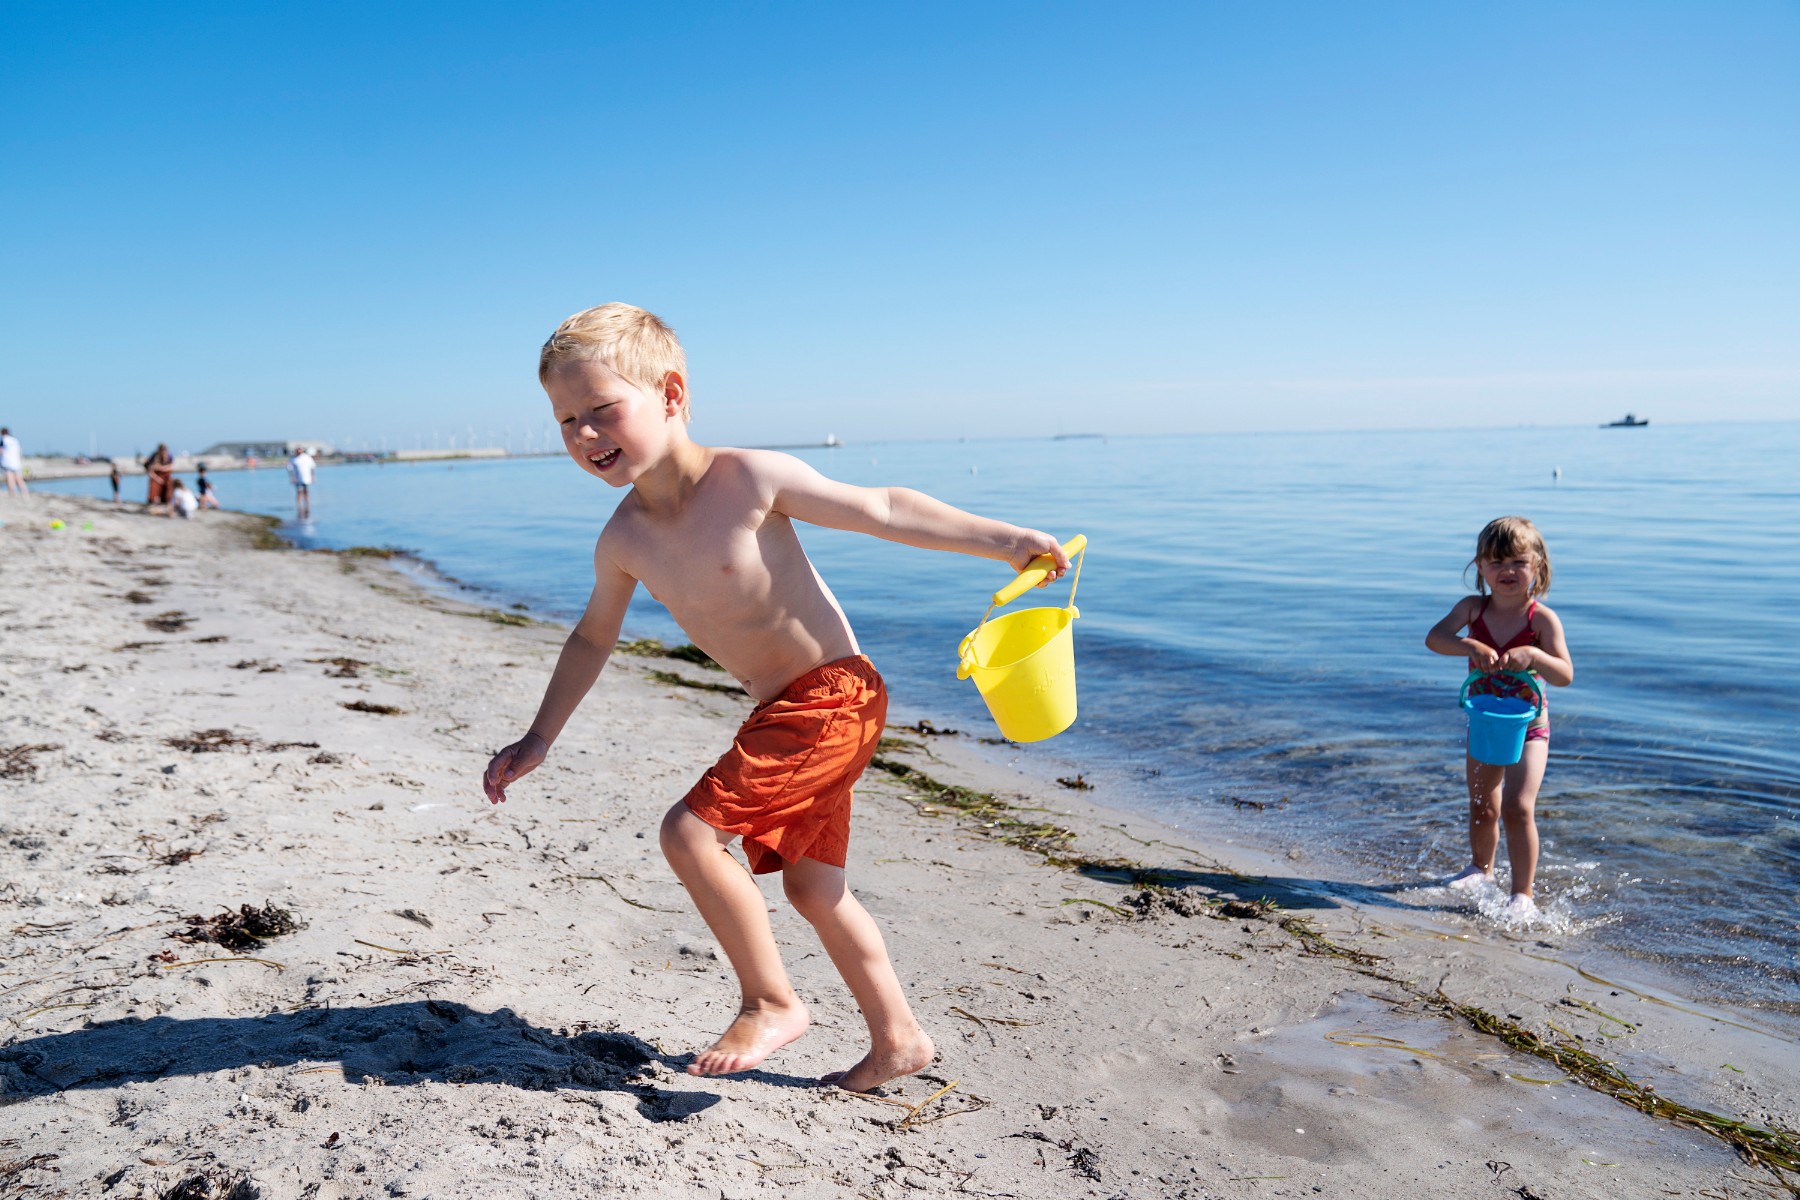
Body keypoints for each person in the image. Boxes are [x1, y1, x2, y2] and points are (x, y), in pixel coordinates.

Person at [482, 303, 1069, 1093]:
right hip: (784, 710)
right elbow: (592, 638)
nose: (586, 434)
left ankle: (771, 1001)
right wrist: (539, 737)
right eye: (567, 421)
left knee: (690, 837)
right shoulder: (624, 539)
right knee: (813, 887)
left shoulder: (749, 478)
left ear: (671, 393)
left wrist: (999, 540)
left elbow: (884, 508)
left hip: (833, 695)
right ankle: (899, 1040)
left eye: (602, 410)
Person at [1425, 516, 1574, 918]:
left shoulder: (1540, 619)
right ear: (1480, 568)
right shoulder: (1473, 609)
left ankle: (1522, 894)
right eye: (1496, 562)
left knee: (1517, 806)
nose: (1506, 571)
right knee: (1482, 803)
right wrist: (1469, 644)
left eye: (1517, 562)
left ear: (1537, 565)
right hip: (1486, 720)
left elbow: (1564, 674)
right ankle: (1480, 868)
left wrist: (1537, 655)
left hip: (1530, 727)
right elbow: (1435, 639)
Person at [287, 446, 315, 519]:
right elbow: (290, 469)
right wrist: (292, 478)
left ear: (302, 451)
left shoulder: (307, 458)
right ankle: (299, 506)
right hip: (298, 479)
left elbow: (312, 467)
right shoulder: (293, 459)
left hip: (306, 478)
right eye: (298, 450)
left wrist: (313, 476)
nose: (299, 452)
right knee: (299, 492)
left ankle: (307, 505)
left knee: (306, 491)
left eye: (300, 450)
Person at [145, 444, 174, 510]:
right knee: (154, 485)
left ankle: (167, 500)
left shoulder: (169, 456)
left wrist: (161, 468)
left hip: (165, 475)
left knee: (169, 484)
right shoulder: (154, 457)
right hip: (155, 476)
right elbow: (150, 471)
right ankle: (155, 502)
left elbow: (171, 467)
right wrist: (158, 478)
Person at [1, 427, 26, 498]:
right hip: (17, 462)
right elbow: (20, 451)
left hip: (7, 462)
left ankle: (12, 494)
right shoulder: (15, 440)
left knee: (10, 478)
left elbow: (1, 451)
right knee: (19, 479)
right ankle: (24, 493)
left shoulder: (3, 440)